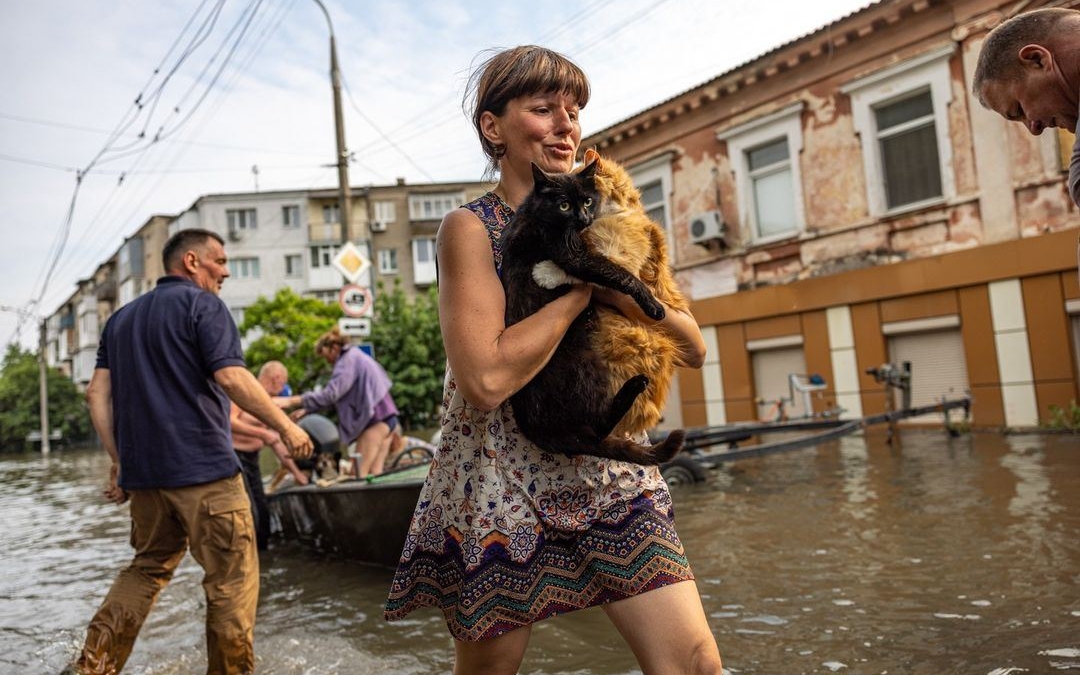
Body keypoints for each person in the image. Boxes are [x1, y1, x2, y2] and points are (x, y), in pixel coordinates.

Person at [383, 46, 721, 675]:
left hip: (607, 467)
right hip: (501, 476)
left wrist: (617, 283)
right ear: (494, 127)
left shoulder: (603, 226)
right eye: (544, 109)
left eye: (575, 111)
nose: (567, 124)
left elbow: (694, 346)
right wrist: (581, 290)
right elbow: (484, 380)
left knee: (695, 663)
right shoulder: (471, 228)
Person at [65, 228, 313, 675]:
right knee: (230, 582)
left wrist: (118, 461)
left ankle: (93, 666)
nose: (226, 271)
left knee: (145, 569)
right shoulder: (204, 305)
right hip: (207, 475)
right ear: (192, 262)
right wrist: (285, 426)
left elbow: (96, 395)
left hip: (145, 480)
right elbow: (233, 378)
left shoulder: (119, 320)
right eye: (219, 261)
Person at [277, 327, 399, 479]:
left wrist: (291, 401)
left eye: (325, 355)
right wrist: (307, 409)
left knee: (358, 473)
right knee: (375, 473)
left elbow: (332, 393)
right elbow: (339, 395)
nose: (327, 361)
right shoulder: (356, 356)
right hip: (388, 416)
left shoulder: (347, 359)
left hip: (376, 420)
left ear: (334, 348)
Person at [230, 360, 309, 550]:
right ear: (276, 379)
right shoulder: (244, 391)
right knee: (251, 513)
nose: (282, 389)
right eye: (283, 383)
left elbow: (277, 444)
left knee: (263, 512)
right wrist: (263, 433)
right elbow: (229, 421)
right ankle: (247, 556)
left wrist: (297, 474)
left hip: (253, 459)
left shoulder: (269, 404)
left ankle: (264, 561)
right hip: (234, 457)